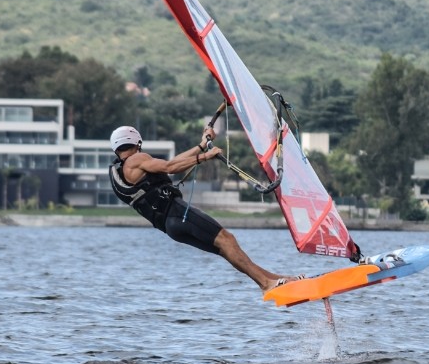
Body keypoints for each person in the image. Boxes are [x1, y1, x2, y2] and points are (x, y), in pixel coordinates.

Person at [108, 125, 300, 292]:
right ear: (137, 142)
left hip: (170, 227)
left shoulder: (123, 170)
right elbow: (169, 167)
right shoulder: (136, 159)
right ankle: (266, 283)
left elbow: (173, 162)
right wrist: (205, 156)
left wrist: (200, 146)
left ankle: (273, 280)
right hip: (176, 213)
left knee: (225, 248)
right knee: (227, 239)